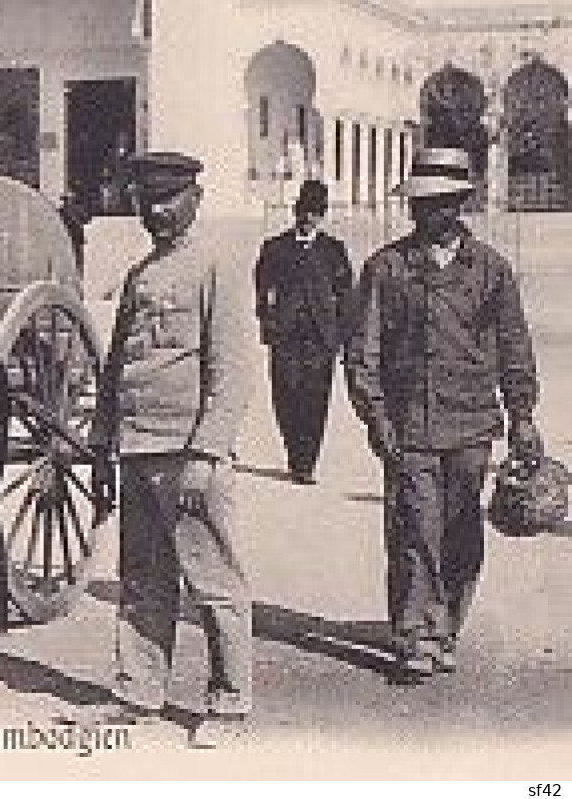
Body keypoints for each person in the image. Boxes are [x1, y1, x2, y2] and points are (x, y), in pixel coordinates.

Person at [343, 146, 543, 682]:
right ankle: (415, 635)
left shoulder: (492, 271)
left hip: (473, 425)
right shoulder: (386, 268)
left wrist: (522, 417)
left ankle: (447, 625)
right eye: (418, 204)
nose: (424, 214)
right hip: (408, 427)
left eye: (437, 204)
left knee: (459, 533)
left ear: (459, 204)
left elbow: (514, 349)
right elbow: (361, 352)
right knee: (413, 528)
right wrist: (376, 417)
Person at [94, 151, 257, 749]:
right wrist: (102, 434)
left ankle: (230, 702)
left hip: (186, 452)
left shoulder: (216, 264)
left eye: (168, 199)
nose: (156, 211)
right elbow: (119, 364)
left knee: (213, 581)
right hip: (136, 448)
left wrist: (206, 452)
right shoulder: (141, 271)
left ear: (195, 199)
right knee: (141, 579)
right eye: (147, 201)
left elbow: (232, 368)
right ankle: (138, 690)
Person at [253, 179, 354, 484]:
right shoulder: (275, 248)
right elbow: (262, 289)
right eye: (304, 211)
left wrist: (339, 333)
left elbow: (347, 294)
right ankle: (293, 450)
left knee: (316, 398)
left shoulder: (333, 251)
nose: (309, 218)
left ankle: (305, 463)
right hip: (285, 337)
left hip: (320, 338)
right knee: (285, 395)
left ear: (322, 216)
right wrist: (268, 322)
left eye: (315, 212)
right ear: (295, 211)